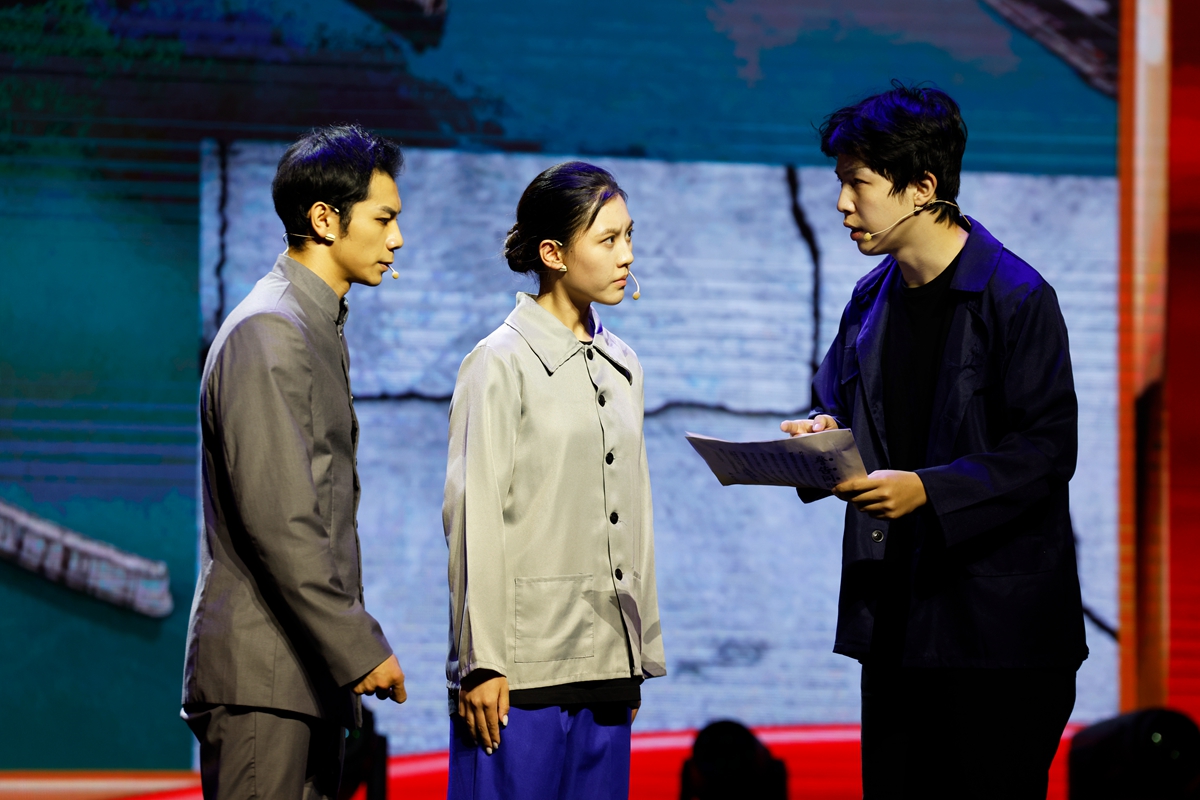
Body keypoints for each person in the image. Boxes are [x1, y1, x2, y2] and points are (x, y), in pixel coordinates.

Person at [780, 84, 1087, 799]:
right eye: (840, 183)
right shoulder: (869, 298)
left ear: (922, 188)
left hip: (998, 639)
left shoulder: (1017, 296)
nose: (841, 204)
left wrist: (928, 490)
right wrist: (821, 432)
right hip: (896, 625)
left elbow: (1047, 451)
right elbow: (836, 404)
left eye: (858, 183)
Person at [182, 124, 408, 800]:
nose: (397, 239)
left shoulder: (311, 325)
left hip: (301, 677)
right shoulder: (271, 329)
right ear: (325, 220)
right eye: (384, 219)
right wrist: (359, 645)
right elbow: (281, 521)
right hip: (264, 679)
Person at [442, 161, 666, 800]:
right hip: (519, 671)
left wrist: (636, 655)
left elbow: (636, 512)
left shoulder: (624, 364)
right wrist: (481, 661)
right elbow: (474, 516)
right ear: (553, 254)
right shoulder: (499, 361)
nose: (626, 255)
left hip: (608, 666)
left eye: (629, 236)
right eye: (608, 239)